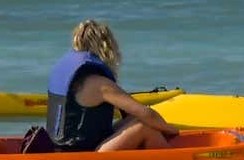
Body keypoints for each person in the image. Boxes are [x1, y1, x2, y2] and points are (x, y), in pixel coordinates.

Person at [44, 19, 180, 152]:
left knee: (136, 120)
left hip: (60, 147)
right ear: (106, 47)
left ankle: (153, 159)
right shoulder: (99, 83)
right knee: (144, 126)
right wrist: (172, 130)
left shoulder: (69, 72)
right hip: (85, 154)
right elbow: (146, 113)